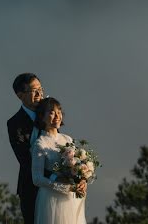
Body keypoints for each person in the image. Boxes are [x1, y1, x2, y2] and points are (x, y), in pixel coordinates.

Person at [31, 97, 87, 224]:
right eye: (51, 112)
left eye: (59, 112)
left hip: (71, 199)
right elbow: (37, 178)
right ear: (42, 117)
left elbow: (79, 166)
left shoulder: (67, 139)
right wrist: (65, 188)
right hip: (52, 199)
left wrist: (83, 180)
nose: (57, 116)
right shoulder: (40, 143)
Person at [7, 73, 44, 224]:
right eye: (34, 90)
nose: (39, 94)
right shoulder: (15, 123)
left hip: (58, 187)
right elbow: (24, 158)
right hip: (31, 187)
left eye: (41, 89)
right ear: (20, 95)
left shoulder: (50, 114)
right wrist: (53, 178)